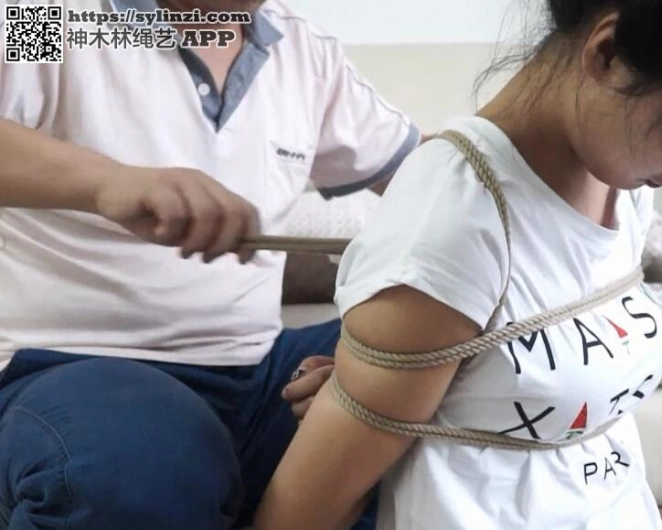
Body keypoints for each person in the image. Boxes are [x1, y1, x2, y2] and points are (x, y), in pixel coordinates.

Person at [255, 0, 662, 529]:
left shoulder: (624, 187)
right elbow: (308, 505)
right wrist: (374, 386)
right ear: (608, 53)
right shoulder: (456, 221)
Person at [0, 0, 422, 528]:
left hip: (263, 375)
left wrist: (505, 138)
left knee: (441, 359)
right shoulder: (48, 17)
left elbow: (432, 178)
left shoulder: (302, 50)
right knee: (137, 466)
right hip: (73, 369)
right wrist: (108, 181)